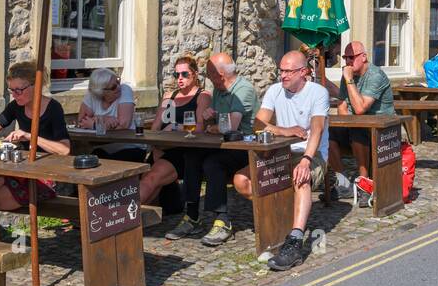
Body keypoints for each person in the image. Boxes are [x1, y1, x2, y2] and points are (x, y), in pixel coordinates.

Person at [0, 61, 70, 240]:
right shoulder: (16, 106)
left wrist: (29, 136)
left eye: (19, 90)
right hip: (19, 171)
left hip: (43, 177)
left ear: (36, 85)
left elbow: (64, 150)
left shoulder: (53, 108)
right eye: (11, 90)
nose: (15, 95)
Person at [258, 51, 331, 271]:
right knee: (242, 180)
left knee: (300, 179)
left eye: (288, 71)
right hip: (282, 152)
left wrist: (307, 160)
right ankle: (279, 221)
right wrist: (284, 130)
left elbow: (316, 129)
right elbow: (257, 123)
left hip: (312, 153)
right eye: (281, 70)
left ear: (303, 72)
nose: (282, 75)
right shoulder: (274, 90)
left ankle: (295, 242)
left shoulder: (318, 92)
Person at [189, 53, 260, 247]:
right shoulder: (218, 89)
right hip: (223, 145)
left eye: (210, 72)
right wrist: (209, 116)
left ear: (221, 74)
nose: (208, 76)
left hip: (246, 147)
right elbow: (216, 121)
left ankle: (222, 221)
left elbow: (232, 126)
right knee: (191, 156)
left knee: (213, 163)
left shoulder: (243, 89)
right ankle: (191, 216)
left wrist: (215, 123)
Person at [139, 56, 211, 236]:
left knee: (151, 179)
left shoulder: (202, 96)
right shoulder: (168, 96)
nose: (180, 78)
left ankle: (119, 218)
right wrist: (155, 147)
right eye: (176, 74)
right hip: (161, 148)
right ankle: (140, 219)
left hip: (184, 151)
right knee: (143, 176)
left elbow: (200, 128)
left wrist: (177, 128)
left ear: (194, 74)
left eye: (185, 74)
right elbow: (156, 126)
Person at [323, 41, 395, 204]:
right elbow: (342, 108)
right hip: (360, 126)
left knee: (358, 129)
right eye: (345, 57)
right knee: (327, 133)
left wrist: (349, 80)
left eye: (351, 57)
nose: (348, 61)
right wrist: (347, 80)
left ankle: (365, 183)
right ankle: (343, 183)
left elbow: (361, 108)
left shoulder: (375, 75)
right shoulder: (347, 76)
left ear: (363, 57)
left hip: (384, 129)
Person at [77, 67, 148, 163]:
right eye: (113, 87)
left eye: (118, 81)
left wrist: (94, 124)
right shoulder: (91, 95)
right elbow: (82, 121)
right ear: (101, 92)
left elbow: (124, 124)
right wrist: (104, 119)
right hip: (102, 147)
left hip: (129, 146)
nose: (118, 87)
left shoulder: (125, 90)